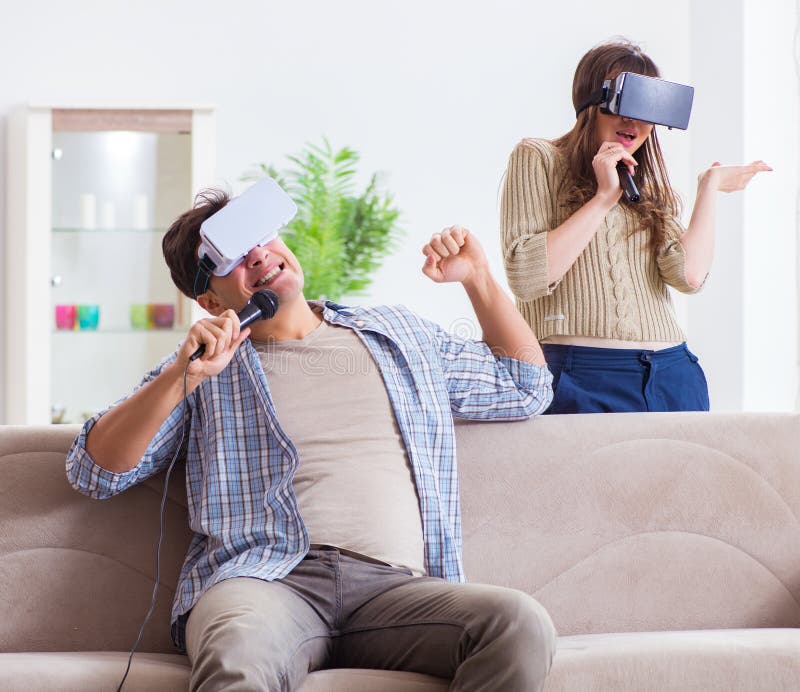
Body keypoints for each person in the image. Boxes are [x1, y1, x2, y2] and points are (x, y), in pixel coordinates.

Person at [66, 187, 556, 691]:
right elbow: (92, 472)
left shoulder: (397, 334)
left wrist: (477, 279)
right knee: (238, 650)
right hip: (266, 584)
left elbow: (526, 388)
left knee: (518, 623)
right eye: (231, 256)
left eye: (260, 237)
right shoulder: (200, 373)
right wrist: (178, 377)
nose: (256, 254)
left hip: (397, 590)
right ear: (210, 300)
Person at [500, 39, 771, 414]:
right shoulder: (538, 157)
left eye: (647, 105)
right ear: (591, 101)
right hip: (578, 375)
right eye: (625, 101)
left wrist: (708, 188)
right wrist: (604, 197)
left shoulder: (648, 186)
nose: (633, 119)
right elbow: (528, 277)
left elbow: (688, 277)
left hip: (672, 374)